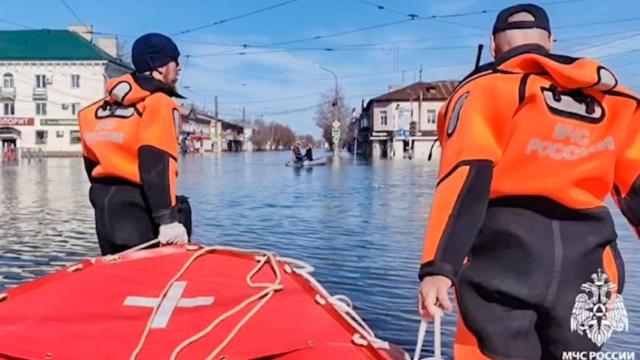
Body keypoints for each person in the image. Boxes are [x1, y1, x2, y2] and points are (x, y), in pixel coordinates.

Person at [418, 4, 638, 359]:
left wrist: (438, 268)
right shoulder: (618, 103)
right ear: (549, 42)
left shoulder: (486, 91)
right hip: (591, 265)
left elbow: (465, 179)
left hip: (504, 262)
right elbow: (637, 190)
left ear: (493, 46)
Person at [79, 33, 191, 255]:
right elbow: (156, 164)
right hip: (141, 213)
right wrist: (167, 220)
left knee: (118, 279)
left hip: (105, 211)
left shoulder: (91, 113)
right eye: (175, 62)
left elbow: (92, 167)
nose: (179, 68)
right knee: (152, 281)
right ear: (159, 67)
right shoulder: (159, 104)